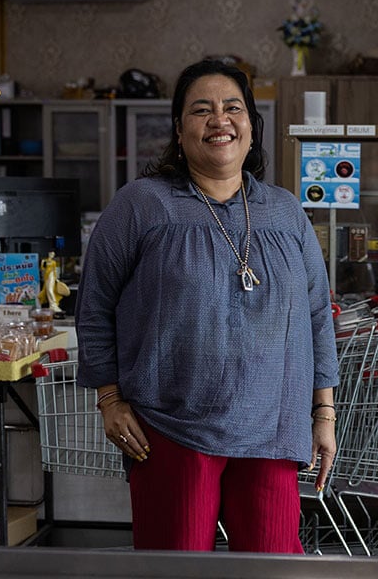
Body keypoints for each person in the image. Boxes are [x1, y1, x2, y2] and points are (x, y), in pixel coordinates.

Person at [75, 59, 339, 553]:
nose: (219, 120)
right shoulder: (142, 205)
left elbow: (317, 315)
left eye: (232, 108)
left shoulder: (285, 212)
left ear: (251, 127)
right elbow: (95, 306)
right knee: (176, 566)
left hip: (274, 427)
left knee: (273, 566)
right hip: (171, 426)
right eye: (202, 110)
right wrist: (109, 399)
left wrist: (322, 414)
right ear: (179, 130)